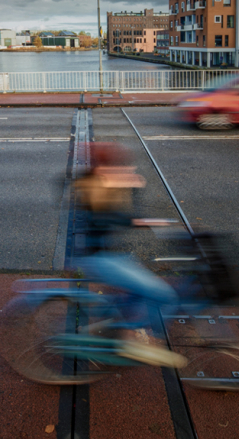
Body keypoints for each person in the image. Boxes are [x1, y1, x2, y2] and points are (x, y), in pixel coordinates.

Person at [73, 142, 187, 368]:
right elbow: (104, 218)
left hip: (113, 256)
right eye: (115, 165)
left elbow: (122, 212)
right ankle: (133, 340)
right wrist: (137, 218)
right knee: (164, 295)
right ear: (102, 166)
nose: (121, 169)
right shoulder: (90, 185)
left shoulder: (103, 183)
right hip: (99, 259)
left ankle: (109, 328)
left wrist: (131, 189)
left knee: (137, 294)